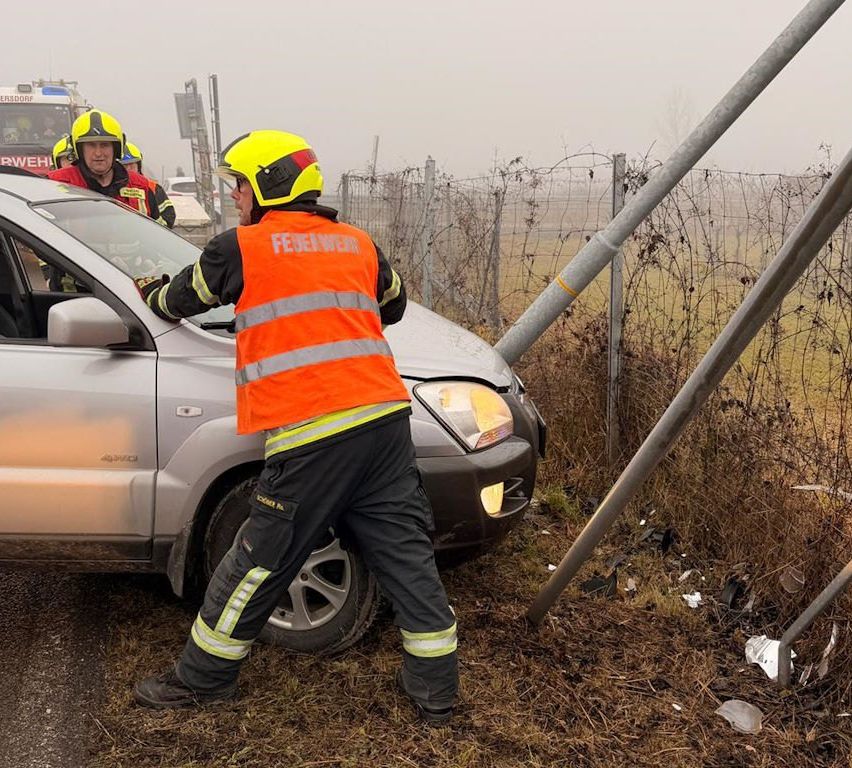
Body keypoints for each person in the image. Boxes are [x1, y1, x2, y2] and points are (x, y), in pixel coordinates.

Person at [132, 130, 458, 723]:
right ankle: (436, 694)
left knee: (257, 559)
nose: (234, 196)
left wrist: (150, 293)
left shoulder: (241, 248)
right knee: (407, 558)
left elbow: (181, 299)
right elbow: (393, 305)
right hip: (385, 422)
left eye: (238, 184)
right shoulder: (356, 242)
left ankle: (202, 680)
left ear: (265, 186)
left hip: (313, 433)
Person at [48, 109, 158, 218]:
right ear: (79, 149)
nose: (98, 153)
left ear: (116, 148)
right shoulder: (54, 184)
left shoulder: (140, 185)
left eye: (104, 145)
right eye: (91, 145)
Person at [121, 141, 176, 228]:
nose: (129, 170)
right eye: (124, 166)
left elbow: (168, 216)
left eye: (131, 165)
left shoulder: (152, 188)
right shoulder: (110, 188)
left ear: (138, 166)